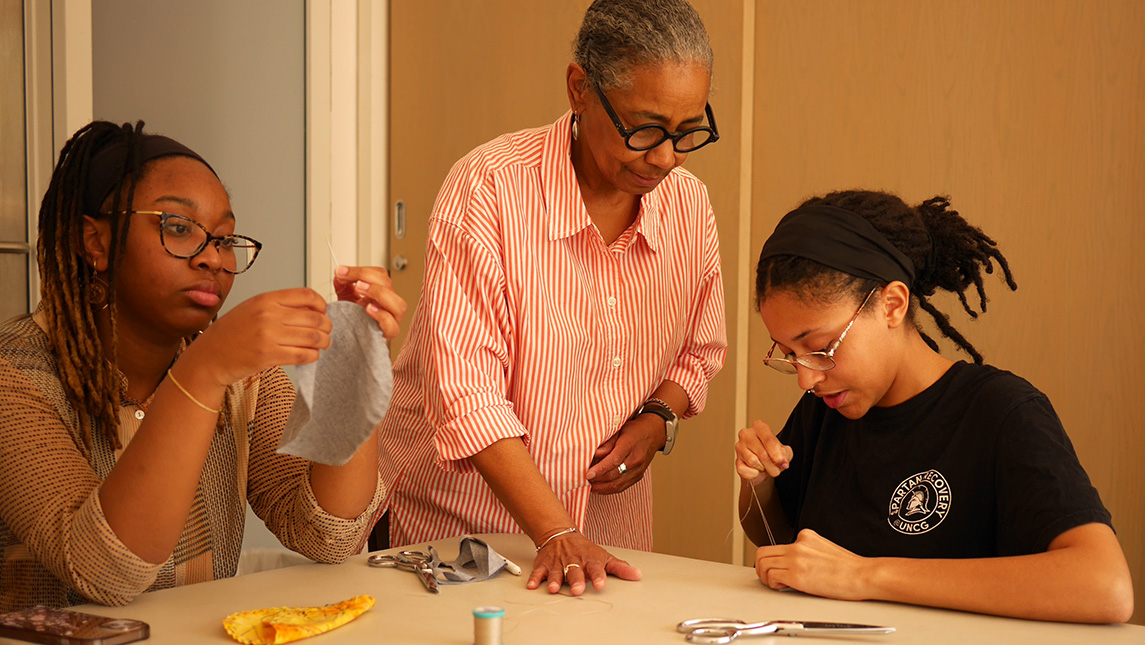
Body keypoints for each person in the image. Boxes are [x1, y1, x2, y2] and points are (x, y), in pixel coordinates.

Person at [376, 0, 727, 596]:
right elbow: (467, 395)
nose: (665, 157)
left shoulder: (688, 205)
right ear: (579, 90)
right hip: (459, 535)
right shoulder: (488, 188)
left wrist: (658, 417)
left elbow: (700, 349)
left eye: (688, 131)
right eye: (644, 129)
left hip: (604, 535)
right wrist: (553, 529)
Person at [0, 121, 406, 610]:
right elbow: (101, 570)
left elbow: (328, 536)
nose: (213, 258)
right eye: (178, 227)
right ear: (96, 242)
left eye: (225, 239)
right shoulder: (15, 374)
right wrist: (202, 370)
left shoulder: (244, 377)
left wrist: (352, 366)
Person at [736, 190, 1133, 623]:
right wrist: (760, 485)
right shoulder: (827, 407)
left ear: (892, 304)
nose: (806, 378)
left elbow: (1105, 587)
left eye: (819, 347)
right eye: (790, 354)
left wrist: (866, 576)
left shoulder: (1000, 412)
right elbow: (781, 540)